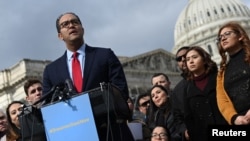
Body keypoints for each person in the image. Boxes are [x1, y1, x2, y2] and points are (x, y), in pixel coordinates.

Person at [42, 12, 134, 141]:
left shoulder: (105, 55)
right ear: (60, 35)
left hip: (111, 132)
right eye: (65, 24)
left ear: (82, 28)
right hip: (76, 135)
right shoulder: (51, 70)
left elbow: (120, 90)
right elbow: (49, 107)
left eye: (75, 22)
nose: (71, 26)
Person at [184, 46, 227, 141]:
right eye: (188, 59)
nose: (191, 61)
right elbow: (188, 117)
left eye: (194, 57)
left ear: (204, 60)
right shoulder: (186, 88)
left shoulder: (219, 78)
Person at [216, 21, 250, 125]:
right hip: (241, 121)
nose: (223, 38)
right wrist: (234, 118)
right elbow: (222, 100)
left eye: (227, 34)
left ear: (240, 36)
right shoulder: (222, 72)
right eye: (220, 37)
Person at [171, 46, 189, 140]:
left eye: (186, 56)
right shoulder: (177, 91)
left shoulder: (215, 78)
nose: (183, 59)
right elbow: (177, 118)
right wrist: (185, 131)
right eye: (179, 59)